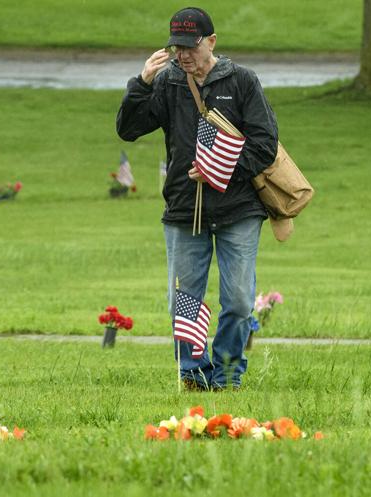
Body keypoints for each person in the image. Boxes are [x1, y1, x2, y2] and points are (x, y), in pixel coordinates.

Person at [116, 7, 278, 390]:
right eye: (177, 47)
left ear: (211, 42)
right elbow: (128, 129)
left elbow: (264, 144)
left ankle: (226, 375)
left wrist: (219, 169)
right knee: (183, 302)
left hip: (239, 208)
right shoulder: (169, 82)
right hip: (184, 209)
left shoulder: (241, 81)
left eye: (191, 46)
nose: (184, 55)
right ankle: (192, 373)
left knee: (238, 300)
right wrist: (140, 83)